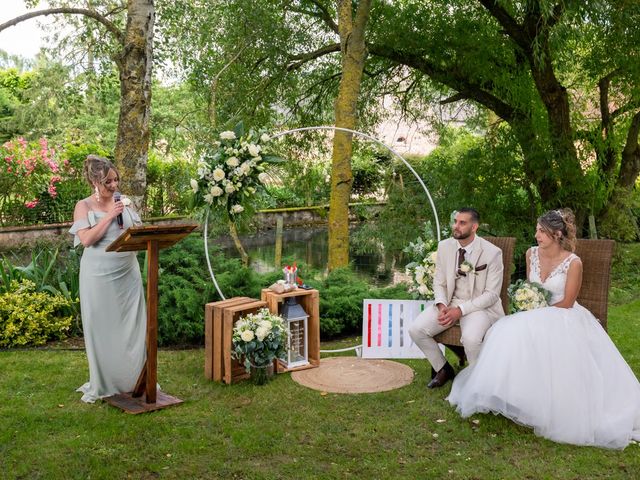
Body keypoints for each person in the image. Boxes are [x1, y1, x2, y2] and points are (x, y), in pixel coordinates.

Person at [448, 209, 640, 449]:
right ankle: (515, 398)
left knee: (535, 335)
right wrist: (528, 303)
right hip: (535, 313)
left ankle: (553, 405)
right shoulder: (531, 254)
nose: (536, 235)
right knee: (504, 332)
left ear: (557, 234)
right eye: (537, 230)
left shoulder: (573, 262)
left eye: (542, 231)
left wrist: (537, 312)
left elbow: (568, 302)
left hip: (564, 315)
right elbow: (532, 289)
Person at [69, 155, 147, 403]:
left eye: (116, 180)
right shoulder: (83, 206)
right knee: (104, 330)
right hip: (98, 277)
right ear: (95, 181)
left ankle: (134, 380)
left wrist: (130, 219)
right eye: (108, 182)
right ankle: (105, 383)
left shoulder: (124, 202)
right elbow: (86, 240)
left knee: (131, 329)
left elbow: (137, 233)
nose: (114, 186)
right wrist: (109, 215)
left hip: (128, 273)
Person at [409, 208, 504, 388]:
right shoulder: (444, 246)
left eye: (462, 223)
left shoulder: (492, 253)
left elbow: (491, 295)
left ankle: (480, 382)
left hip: (478, 307)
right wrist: (441, 304)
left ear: (474, 227)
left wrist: (459, 311)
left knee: (470, 339)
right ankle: (443, 369)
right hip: (450, 302)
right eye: (455, 221)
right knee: (416, 329)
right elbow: (439, 282)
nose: (456, 226)